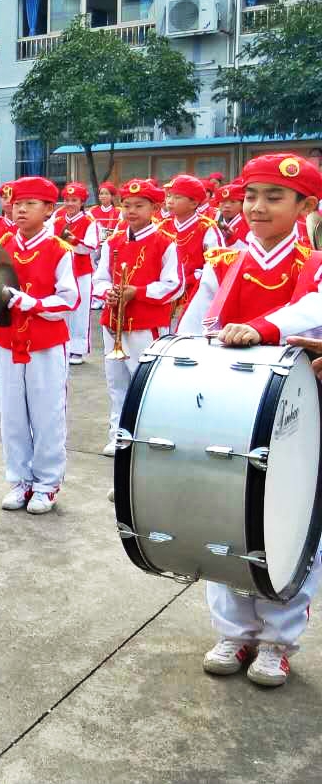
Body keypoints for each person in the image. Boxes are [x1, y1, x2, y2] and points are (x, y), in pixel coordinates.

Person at [177, 153, 322, 688]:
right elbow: (194, 328)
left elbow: (313, 312)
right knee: (225, 515)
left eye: (274, 197)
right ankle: (234, 630)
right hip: (229, 410)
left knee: (287, 518)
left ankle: (278, 640)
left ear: (306, 204)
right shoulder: (222, 263)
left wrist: (260, 327)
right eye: (250, 196)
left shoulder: (313, 264)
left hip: (295, 419)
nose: (257, 208)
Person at [0, 176, 77, 515]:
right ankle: (20, 479)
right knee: (11, 413)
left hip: (44, 342)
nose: (20, 210)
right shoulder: (3, 248)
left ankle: (47, 483)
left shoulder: (58, 249)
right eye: (17, 204)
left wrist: (34, 303)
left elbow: (69, 298)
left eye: (30, 204)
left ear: (49, 209)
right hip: (8, 340)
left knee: (47, 413)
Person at [90, 179, 180, 458]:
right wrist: (109, 292)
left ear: (154, 207)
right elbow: (99, 278)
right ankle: (118, 434)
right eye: (126, 205)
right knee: (116, 382)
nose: (131, 211)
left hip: (146, 322)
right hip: (113, 320)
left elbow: (174, 284)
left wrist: (136, 292)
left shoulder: (165, 242)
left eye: (139, 206)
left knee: (146, 381)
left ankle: (145, 434)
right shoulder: (113, 241)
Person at [160, 174, 222, 322]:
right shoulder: (162, 226)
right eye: (169, 196)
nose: (170, 201)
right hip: (167, 290)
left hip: (196, 290)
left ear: (194, 203)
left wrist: (193, 278)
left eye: (177, 197)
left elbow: (215, 263)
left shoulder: (206, 227)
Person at [53, 183, 99, 365]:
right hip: (60, 272)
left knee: (80, 311)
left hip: (81, 271)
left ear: (82, 202)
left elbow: (90, 247)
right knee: (62, 308)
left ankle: (78, 349)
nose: (70, 203)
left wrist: (72, 240)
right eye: (67, 200)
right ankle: (62, 344)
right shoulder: (56, 221)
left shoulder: (89, 222)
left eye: (74, 200)